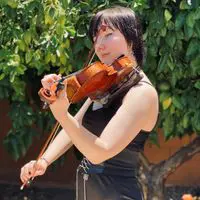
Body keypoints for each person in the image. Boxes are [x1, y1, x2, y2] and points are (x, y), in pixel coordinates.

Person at [20, 6, 159, 200]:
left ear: (132, 37)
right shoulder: (109, 82)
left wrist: (61, 114)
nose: (99, 46)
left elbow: (100, 153)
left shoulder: (142, 93)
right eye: (95, 39)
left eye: (108, 35)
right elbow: (74, 126)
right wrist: (44, 160)